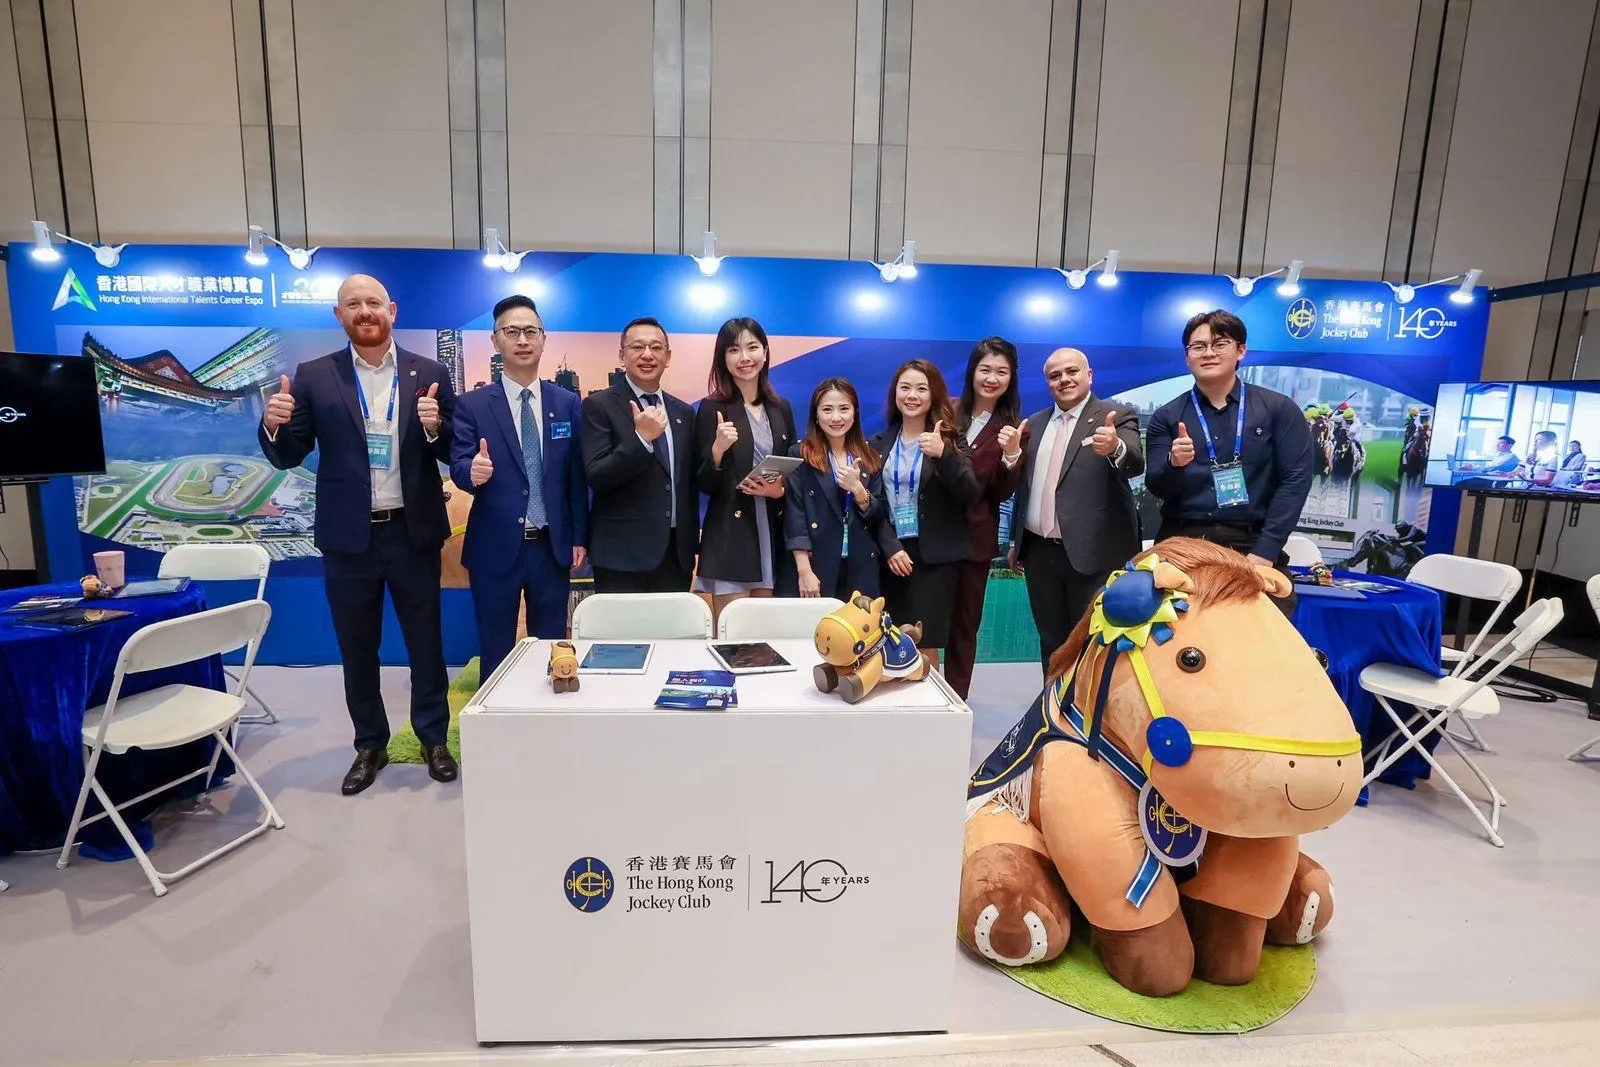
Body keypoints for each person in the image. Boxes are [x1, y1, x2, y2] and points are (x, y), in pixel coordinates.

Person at [258, 273, 458, 794]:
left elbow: (450, 450)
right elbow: (289, 454)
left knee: (426, 644)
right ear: (339, 315)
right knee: (357, 646)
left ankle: (433, 738)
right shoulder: (314, 376)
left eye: (373, 302)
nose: (364, 311)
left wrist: (435, 427)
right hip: (349, 538)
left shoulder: (429, 372)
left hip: (412, 533)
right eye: (353, 304)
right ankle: (370, 744)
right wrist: (273, 424)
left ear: (392, 310)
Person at [448, 295, 588, 680]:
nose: (522, 340)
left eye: (530, 331)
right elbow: (459, 464)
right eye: (511, 332)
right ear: (495, 341)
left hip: (551, 547)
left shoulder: (567, 403)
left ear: (543, 339)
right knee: (495, 649)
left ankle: (547, 712)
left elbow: (575, 476)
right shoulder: (472, 405)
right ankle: (494, 714)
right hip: (494, 547)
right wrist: (471, 471)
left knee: (551, 647)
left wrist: (578, 535)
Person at [1143, 310, 1314, 603]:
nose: (1209, 353)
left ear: (1241, 350)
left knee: (1265, 622)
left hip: (1251, 544)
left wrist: (1265, 552)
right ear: (1187, 357)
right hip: (1182, 545)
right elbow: (1158, 487)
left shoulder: (1278, 409)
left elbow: (1295, 481)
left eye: (1220, 344)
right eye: (1199, 346)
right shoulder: (1167, 416)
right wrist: (1174, 464)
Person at [1009, 347, 1143, 674]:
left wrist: (1115, 447)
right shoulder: (1034, 424)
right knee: (1051, 643)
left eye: (1072, 371)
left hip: (1095, 556)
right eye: (1055, 375)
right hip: (1040, 554)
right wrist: (1016, 542)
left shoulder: (1117, 415)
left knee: (1092, 644)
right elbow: (1024, 489)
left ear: (1089, 375)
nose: (1064, 380)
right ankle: (1053, 702)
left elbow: (1134, 463)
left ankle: (1088, 705)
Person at [868, 359, 979, 657]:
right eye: (905, 388)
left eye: (921, 388)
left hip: (934, 559)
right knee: (887, 642)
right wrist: (890, 547)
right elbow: (874, 505)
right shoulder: (878, 443)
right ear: (895, 393)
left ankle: (927, 691)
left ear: (934, 394)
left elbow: (970, 492)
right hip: (891, 556)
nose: (912, 395)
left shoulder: (952, 439)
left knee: (924, 642)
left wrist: (944, 454)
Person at [580, 317, 698, 592]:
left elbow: (687, 484)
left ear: (668, 357)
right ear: (622, 355)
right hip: (622, 556)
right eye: (637, 347)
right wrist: (641, 440)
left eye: (656, 347)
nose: (647, 355)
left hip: (675, 555)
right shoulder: (598, 406)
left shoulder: (684, 412)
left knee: (673, 623)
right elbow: (597, 476)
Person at [693, 317, 796, 627]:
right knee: (733, 635)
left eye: (752, 347)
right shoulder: (712, 408)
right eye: (734, 349)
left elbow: (793, 468)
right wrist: (717, 449)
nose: (744, 357)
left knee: (765, 635)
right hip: (731, 533)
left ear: (765, 352)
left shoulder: (781, 407)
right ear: (723, 357)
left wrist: (779, 490)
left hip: (772, 530)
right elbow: (702, 482)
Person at [945, 337, 1027, 699]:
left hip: (974, 542)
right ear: (972, 372)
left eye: (1001, 372)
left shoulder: (1014, 428)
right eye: (985, 369)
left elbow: (1002, 492)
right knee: (922, 620)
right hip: (930, 536)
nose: (992, 378)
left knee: (964, 627)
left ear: (1011, 378)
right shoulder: (946, 412)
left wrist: (1011, 455)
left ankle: (955, 702)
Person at [780, 378, 892, 601]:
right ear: (816, 415)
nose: (836, 417)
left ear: (855, 413)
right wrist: (804, 570)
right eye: (827, 410)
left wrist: (858, 490)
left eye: (844, 409)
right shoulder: (800, 455)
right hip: (816, 567)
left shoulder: (869, 456)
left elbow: (879, 514)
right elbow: (795, 514)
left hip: (860, 568)